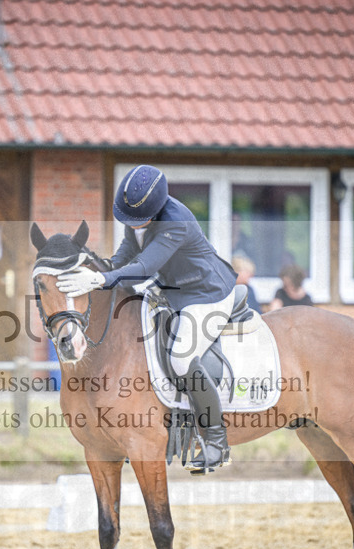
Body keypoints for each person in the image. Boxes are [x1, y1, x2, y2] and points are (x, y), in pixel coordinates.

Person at [56, 164, 238, 472]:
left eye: (137, 221)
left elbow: (144, 266)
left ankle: (216, 441)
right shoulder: (137, 215)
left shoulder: (175, 222)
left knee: (181, 358)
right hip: (170, 290)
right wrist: (98, 271)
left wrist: (102, 281)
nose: (133, 225)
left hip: (205, 294)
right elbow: (125, 255)